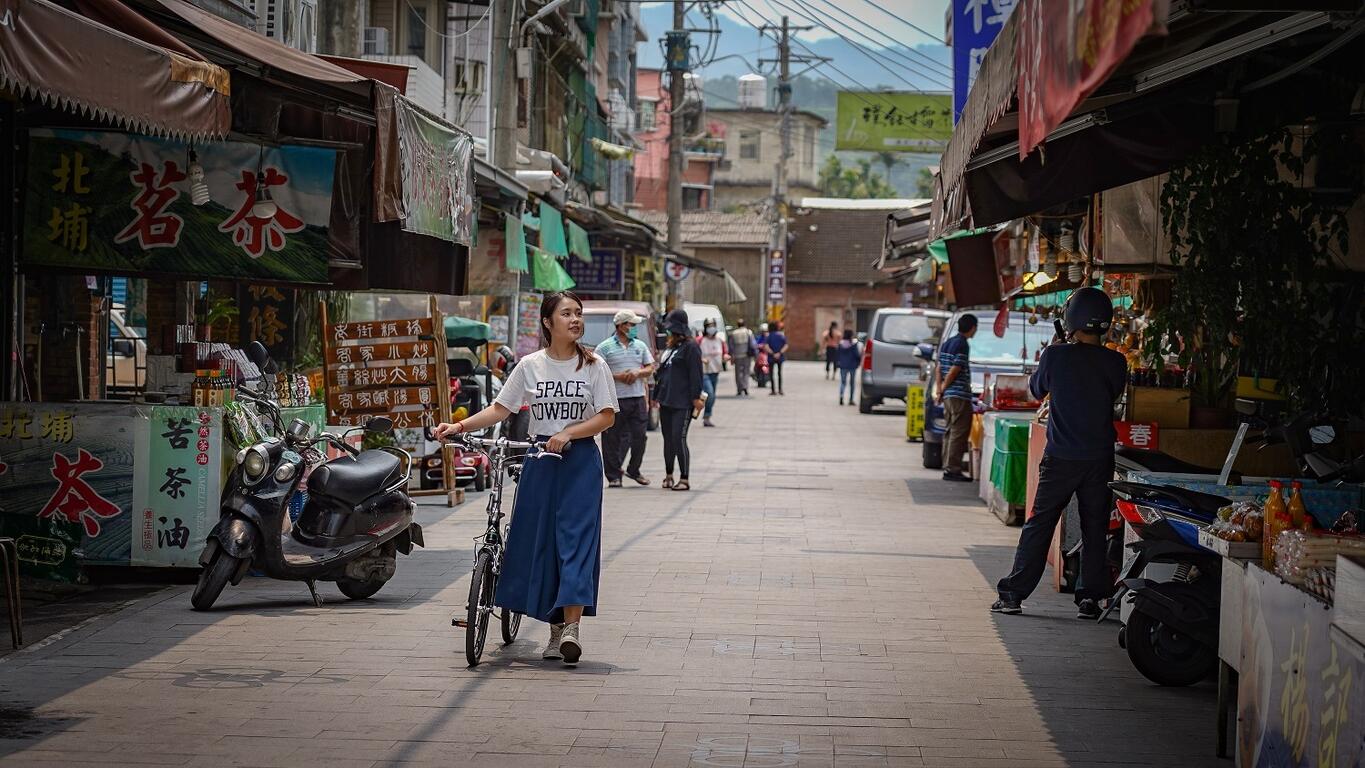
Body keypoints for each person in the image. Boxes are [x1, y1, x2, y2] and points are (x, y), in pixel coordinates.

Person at [433, 291, 617, 665]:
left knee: (576, 542)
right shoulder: (530, 365)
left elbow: (607, 416)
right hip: (539, 460)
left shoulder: (595, 365)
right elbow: (501, 409)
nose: (576, 320)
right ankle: (554, 627)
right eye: (567, 314)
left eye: (578, 314)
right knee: (541, 542)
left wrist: (570, 433)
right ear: (548, 323)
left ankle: (571, 629)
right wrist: (459, 425)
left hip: (579, 463)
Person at [993, 287, 1127, 620]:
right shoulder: (1116, 361)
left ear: (1071, 318)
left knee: (1040, 523)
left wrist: (1054, 352)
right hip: (1099, 458)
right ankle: (1090, 599)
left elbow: (1037, 389)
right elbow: (1111, 392)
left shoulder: (1057, 356)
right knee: (1095, 528)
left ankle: (1013, 594)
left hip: (1061, 457)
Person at [595, 310, 655, 487]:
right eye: (631, 325)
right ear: (621, 326)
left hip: (637, 398)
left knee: (640, 437)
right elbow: (597, 372)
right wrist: (617, 376)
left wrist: (638, 372)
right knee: (611, 438)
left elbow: (650, 367)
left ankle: (633, 469)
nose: (634, 328)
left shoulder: (640, 346)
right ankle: (613, 475)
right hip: (615, 399)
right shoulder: (604, 347)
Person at [654, 309, 703, 491]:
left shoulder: (691, 348)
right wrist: (655, 397)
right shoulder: (670, 349)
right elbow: (662, 374)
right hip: (666, 400)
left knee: (678, 438)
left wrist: (696, 397)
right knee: (667, 439)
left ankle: (684, 478)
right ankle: (668, 475)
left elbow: (696, 375)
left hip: (683, 402)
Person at [937, 314, 977, 481]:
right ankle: (952, 469)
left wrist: (940, 390)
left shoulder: (947, 343)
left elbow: (939, 367)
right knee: (959, 432)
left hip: (948, 395)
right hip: (958, 395)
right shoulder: (962, 344)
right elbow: (955, 369)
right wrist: (944, 388)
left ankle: (947, 465)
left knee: (949, 430)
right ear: (972, 327)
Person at [698, 319, 729, 427]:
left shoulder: (720, 341)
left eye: (713, 326)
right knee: (710, 394)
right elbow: (694, 353)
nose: (712, 328)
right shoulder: (700, 340)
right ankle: (705, 414)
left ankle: (707, 417)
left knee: (712, 396)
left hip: (715, 371)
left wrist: (725, 357)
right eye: (709, 326)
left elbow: (725, 353)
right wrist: (701, 359)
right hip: (703, 372)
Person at [728, 319, 755, 396]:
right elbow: (753, 344)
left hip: (737, 356)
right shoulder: (748, 332)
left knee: (738, 373)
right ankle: (745, 387)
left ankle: (739, 389)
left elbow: (731, 346)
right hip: (746, 355)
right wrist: (754, 355)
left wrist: (732, 355)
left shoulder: (734, 333)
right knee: (746, 372)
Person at [834, 329, 860, 405]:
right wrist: (858, 361)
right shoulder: (854, 344)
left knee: (843, 382)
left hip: (843, 365)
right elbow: (856, 354)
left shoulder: (840, 344)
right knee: (852, 383)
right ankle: (851, 400)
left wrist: (838, 363)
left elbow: (837, 355)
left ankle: (841, 396)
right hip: (852, 365)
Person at [765, 321, 789, 396]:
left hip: (771, 357)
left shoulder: (769, 336)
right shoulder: (781, 335)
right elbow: (786, 345)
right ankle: (780, 390)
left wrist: (772, 353)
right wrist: (780, 353)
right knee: (779, 373)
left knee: (771, 374)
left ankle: (773, 390)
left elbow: (766, 346)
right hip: (780, 357)